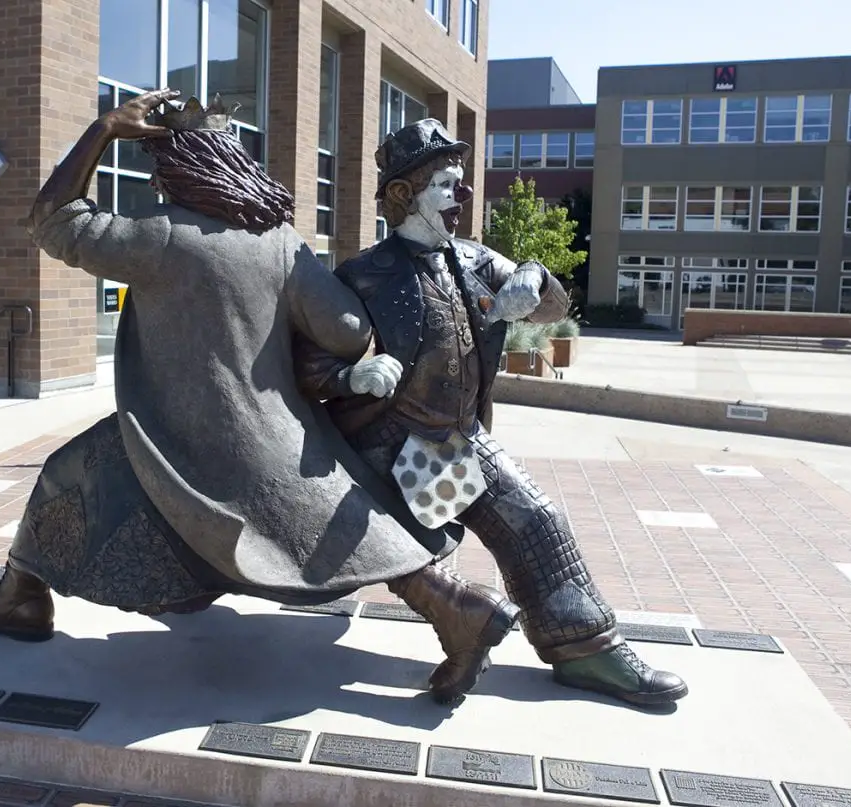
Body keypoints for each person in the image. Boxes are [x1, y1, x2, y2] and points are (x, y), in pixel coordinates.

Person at [0, 92, 521, 704]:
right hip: (284, 437)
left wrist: (104, 128)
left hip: (187, 441)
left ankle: (19, 597)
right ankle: (460, 608)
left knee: (69, 478)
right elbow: (349, 330)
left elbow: (52, 220)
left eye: (159, 170)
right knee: (330, 523)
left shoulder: (163, 239)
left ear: (180, 172)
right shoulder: (279, 241)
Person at [295, 118, 688, 707]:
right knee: (475, 530)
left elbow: (550, 305)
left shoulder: (475, 260)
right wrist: (353, 374)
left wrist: (535, 278)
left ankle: (585, 651)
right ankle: (484, 621)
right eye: (447, 184)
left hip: (455, 436)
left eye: (462, 183)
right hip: (396, 443)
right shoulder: (363, 276)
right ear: (403, 195)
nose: (463, 195)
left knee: (538, 523)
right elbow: (308, 361)